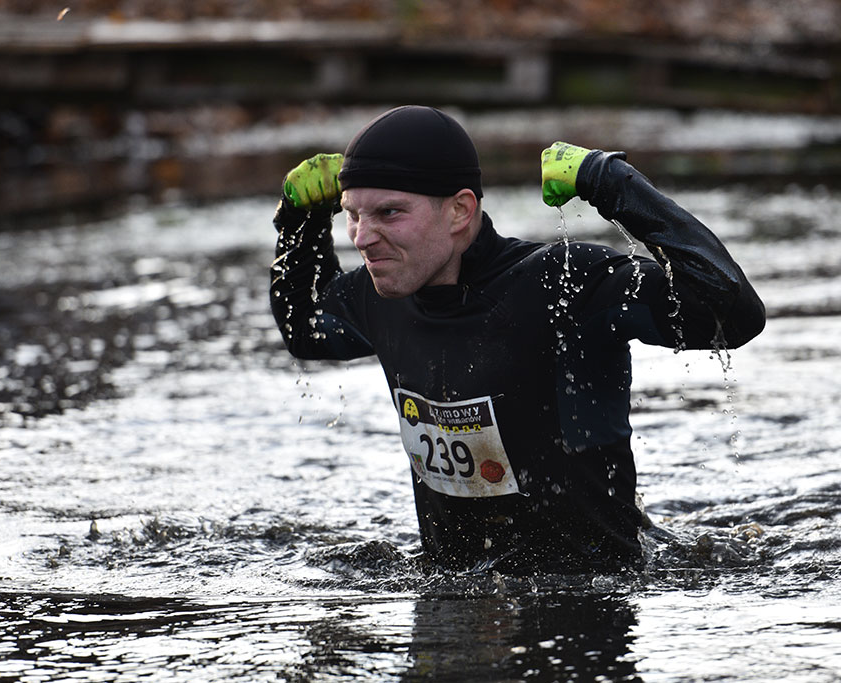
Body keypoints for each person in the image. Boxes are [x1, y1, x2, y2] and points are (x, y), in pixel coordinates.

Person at [269, 105, 765, 574]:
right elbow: (305, 329)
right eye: (353, 214)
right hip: (450, 600)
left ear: (460, 211)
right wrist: (299, 222)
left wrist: (612, 183)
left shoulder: (562, 284)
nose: (361, 236)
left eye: (390, 213)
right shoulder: (380, 294)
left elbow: (730, 315)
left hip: (589, 598)